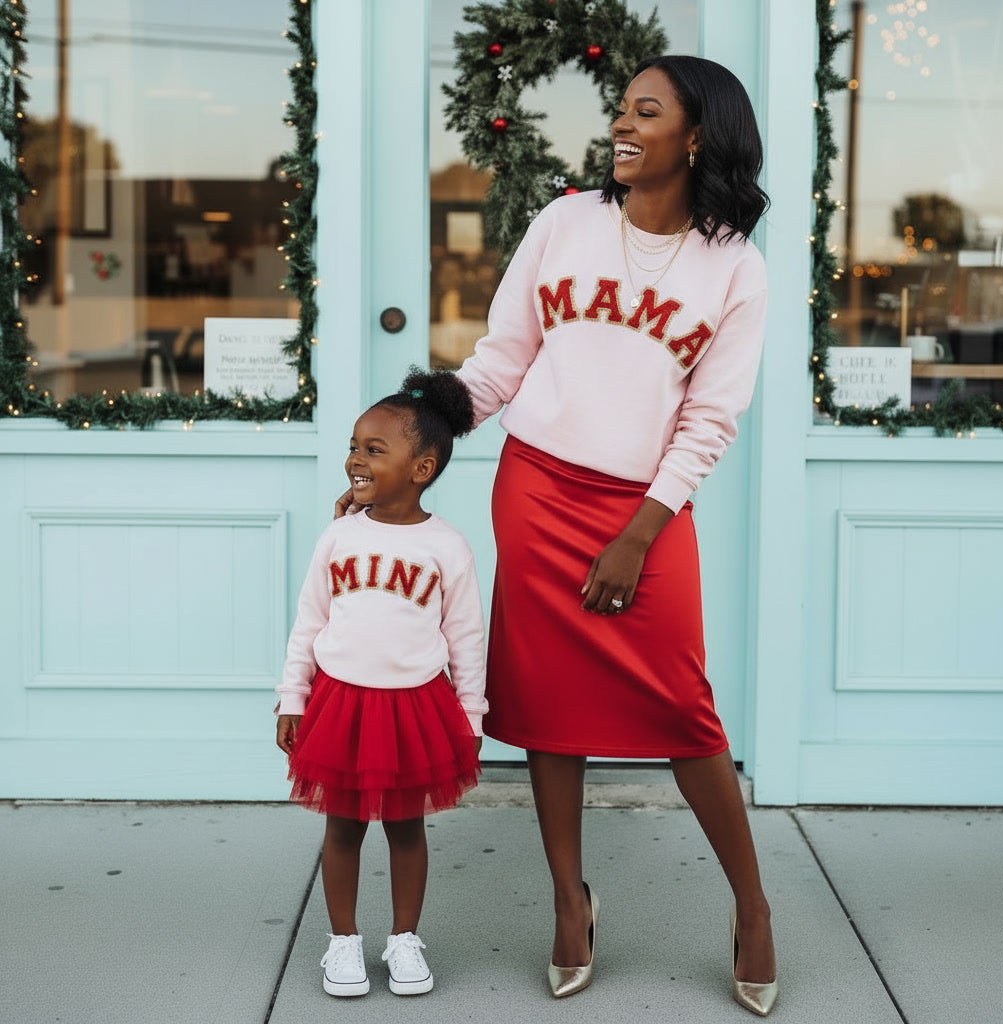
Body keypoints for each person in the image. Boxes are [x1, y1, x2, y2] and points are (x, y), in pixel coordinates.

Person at [457, 54, 778, 1015]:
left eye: (647, 111)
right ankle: (568, 901)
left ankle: (753, 908)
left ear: (699, 135)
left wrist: (640, 532)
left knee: (684, 706)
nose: (621, 125)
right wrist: (422, 425)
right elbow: (501, 360)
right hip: (538, 492)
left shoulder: (736, 266)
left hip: (647, 508)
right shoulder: (565, 221)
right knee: (551, 706)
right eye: (621, 109)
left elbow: (711, 419)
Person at [276, 368, 488, 999]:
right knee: (341, 826)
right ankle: (343, 942)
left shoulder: (447, 546)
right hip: (340, 702)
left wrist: (471, 716)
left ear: (421, 468)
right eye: (353, 446)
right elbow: (309, 621)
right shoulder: (339, 534)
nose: (355, 460)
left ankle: (403, 940)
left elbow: (466, 639)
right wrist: (294, 696)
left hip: (415, 707)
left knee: (406, 827)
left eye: (374, 450)